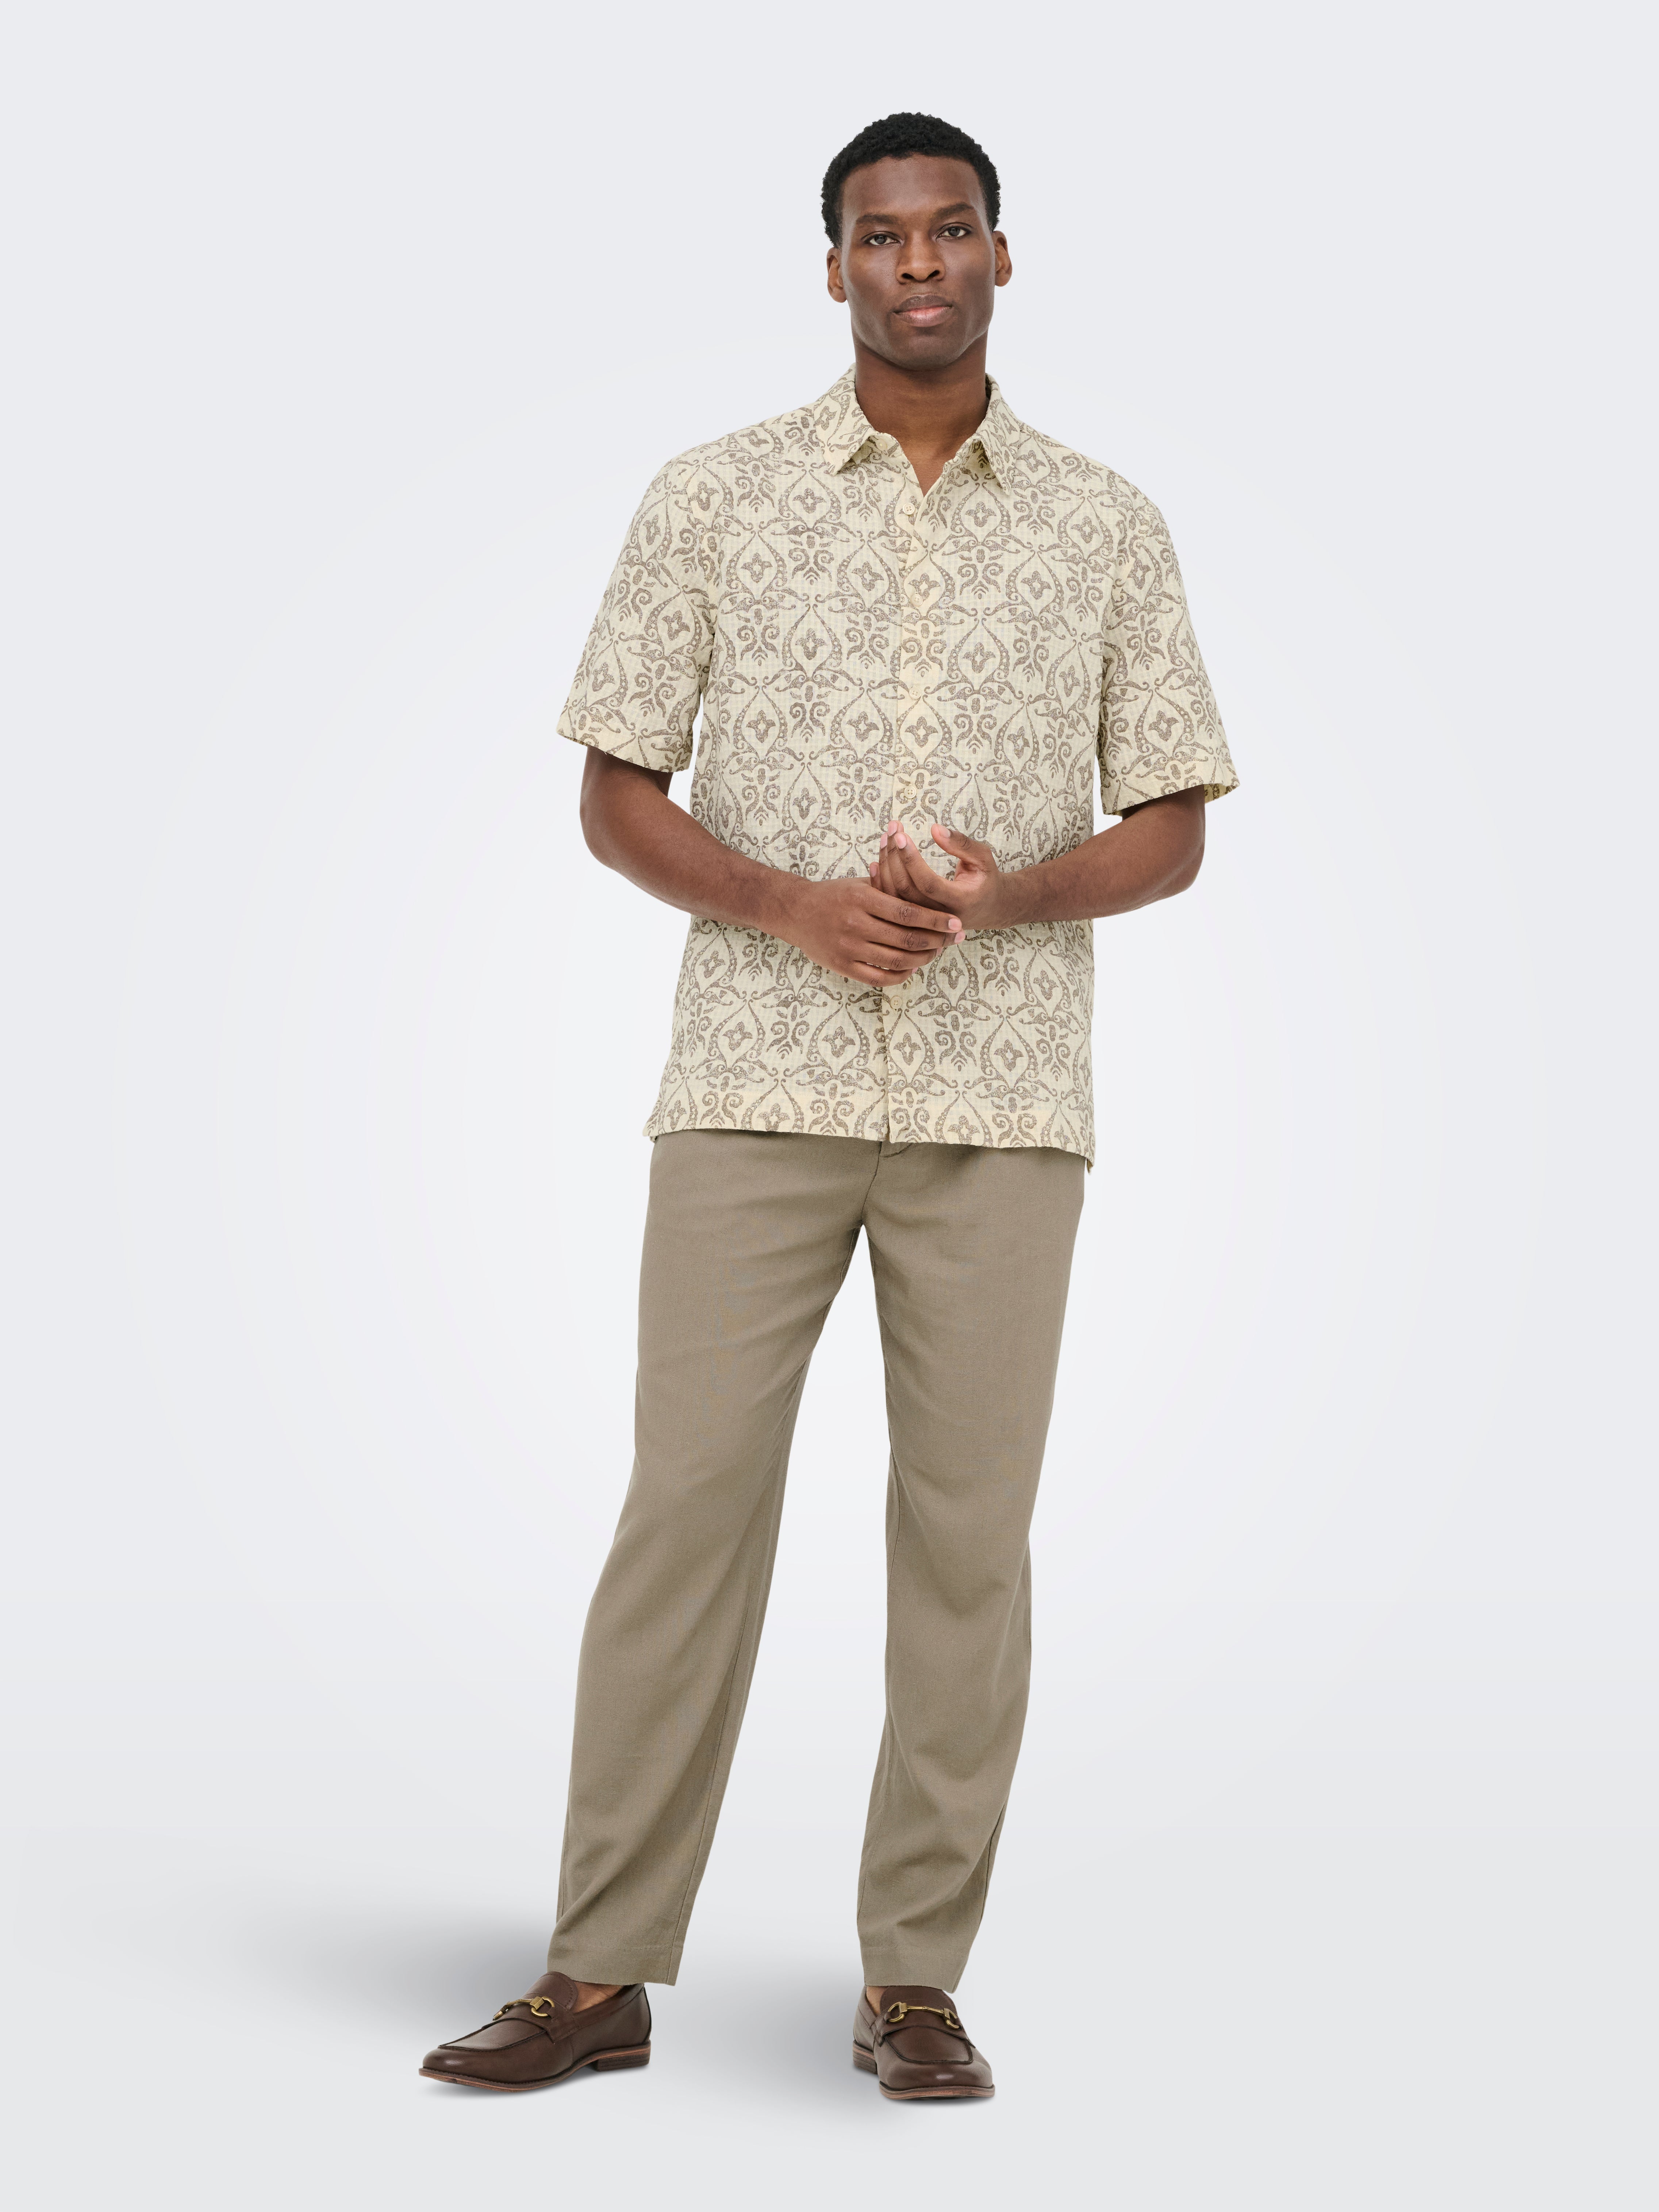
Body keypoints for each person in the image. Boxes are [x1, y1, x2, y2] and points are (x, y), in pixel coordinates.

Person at [420, 110, 1236, 2103]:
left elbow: (1173, 826)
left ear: (1002, 256)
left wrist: (1006, 900)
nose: (918, 265)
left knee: (968, 1542)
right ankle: (599, 1971)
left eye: (951, 230)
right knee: (685, 1510)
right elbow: (615, 792)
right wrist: (791, 904)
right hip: (750, 1082)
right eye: (881, 237)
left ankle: (915, 1983)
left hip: (1003, 1102)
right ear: (834, 268)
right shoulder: (710, 496)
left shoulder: (1108, 522)